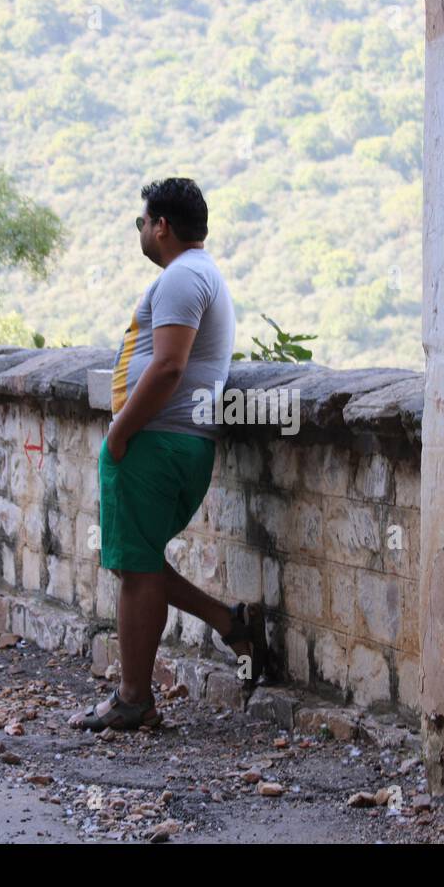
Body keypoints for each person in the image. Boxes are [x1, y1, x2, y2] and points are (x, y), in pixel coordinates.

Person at [68, 178, 268, 732]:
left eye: (142, 222)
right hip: (174, 441)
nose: (141, 231)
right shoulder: (200, 275)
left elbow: (169, 366)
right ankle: (231, 624)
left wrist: (120, 433)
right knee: (143, 562)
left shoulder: (182, 276)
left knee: (135, 570)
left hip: (156, 441)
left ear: (161, 225)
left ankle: (134, 699)